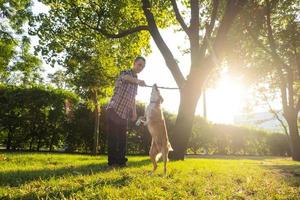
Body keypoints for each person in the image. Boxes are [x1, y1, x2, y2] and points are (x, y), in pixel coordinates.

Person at [106, 56, 146, 167]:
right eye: (139, 64)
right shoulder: (125, 72)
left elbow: (133, 98)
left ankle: (121, 162)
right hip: (114, 109)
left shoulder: (136, 82)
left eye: (142, 66)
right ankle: (112, 162)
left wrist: (134, 112)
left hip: (124, 113)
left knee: (123, 139)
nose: (140, 67)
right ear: (134, 63)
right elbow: (126, 78)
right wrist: (138, 81)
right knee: (113, 138)